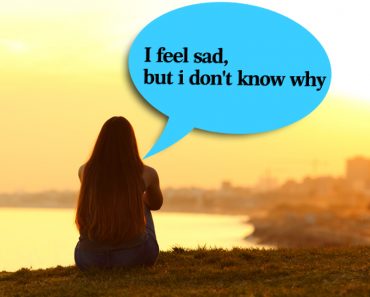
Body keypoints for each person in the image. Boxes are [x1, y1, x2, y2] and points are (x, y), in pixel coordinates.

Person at [74, 116, 163, 270]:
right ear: (131, 143)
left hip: (89, 259)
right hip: (133, 257)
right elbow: (155, 204)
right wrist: (137, 195)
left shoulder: (85, 171)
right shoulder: (146, 174)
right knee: (141, 201)